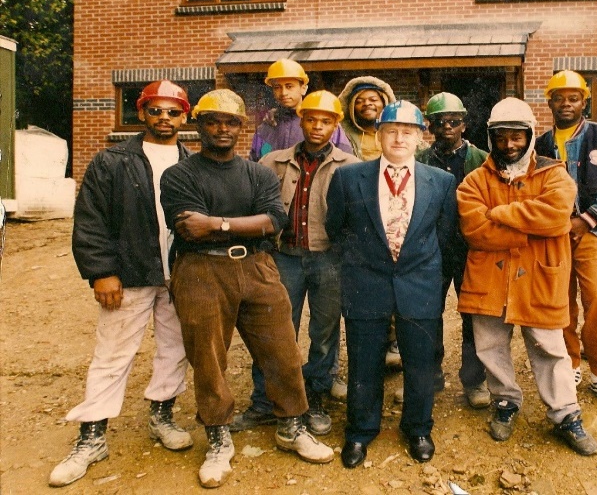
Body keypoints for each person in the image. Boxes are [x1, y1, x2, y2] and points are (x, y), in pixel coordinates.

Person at [160, 89, 333, 488]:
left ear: (242, 128)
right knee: (208, 357)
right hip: (201, 271)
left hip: (257, 266)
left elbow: (275, 220)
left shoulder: (257, 173)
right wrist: (241, 222)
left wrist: (217, 224)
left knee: (282, 349)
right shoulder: (180, 175)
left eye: (231, 122)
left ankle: (291, 425)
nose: (222, 128)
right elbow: (188, 226)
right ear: (199, 124)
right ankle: (218, 437)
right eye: (213, 121)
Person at [51, 81, 194, 487]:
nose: (163, 119)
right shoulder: (111, 160)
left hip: (179, 274)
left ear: (184, 117)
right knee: (113, 353)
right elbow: (92, 219)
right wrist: (101, 271)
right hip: (129, 274)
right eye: (155, 110)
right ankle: (92, 436)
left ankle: (162, 416)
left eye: (172, 112)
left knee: (175, 347)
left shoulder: (192, 162)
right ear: (141, 112)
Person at [457, 97, 597, 456]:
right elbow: (474, 228)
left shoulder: (554, 173)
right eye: (502, 137)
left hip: (539, 278)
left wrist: (500, 213)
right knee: (490, 346)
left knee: (551, 348)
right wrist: (528, 227)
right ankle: (505, 402)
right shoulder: (474, 180)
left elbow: (555, 218)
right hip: (490, 280)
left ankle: (565, 414)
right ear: (491, 138)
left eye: (517, 137)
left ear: (530, 137)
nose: (510, 145)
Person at [325, 100, 457, 468]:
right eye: (392, 131)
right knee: (364, 362)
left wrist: (423, 270)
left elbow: (446, 235)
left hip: (420, 283)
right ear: (379, 135)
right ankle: (360, 432)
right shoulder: (350, 178)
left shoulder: (442, 182)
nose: (400, 138)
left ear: (419, 138)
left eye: (408, 132)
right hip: (366, 282)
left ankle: (417, 428)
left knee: (420, 362)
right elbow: (337, 228)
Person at [229, 91, 360, 434]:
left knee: (325, 333)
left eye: (326, 121)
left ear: (336, 125)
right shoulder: (272, 162)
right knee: (274, 332)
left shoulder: (351, 167)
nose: (317, 126)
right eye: (311, 119)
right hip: (283, 258)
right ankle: (264, 401)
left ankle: (314, 398)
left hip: (328, 261)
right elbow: (253, 210)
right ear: (300, 120)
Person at [534, 71, 597, 407]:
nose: (566, 104)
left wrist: (589, 218)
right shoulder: (541, 144)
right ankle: (571, 364)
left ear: (585, 101)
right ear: (549, 101)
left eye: (573, 98)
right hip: (554, 236)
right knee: (560, 302)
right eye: (559, 97)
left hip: (594, 231)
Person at [417, 92, 490, 409]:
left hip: (470, 250)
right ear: (429, 126)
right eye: (439, 121)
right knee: (427, 313)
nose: (447, 127)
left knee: (474, 316)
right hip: (431, 249)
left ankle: (474, 380)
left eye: (454, 121)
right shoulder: (420, 160)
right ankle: (430, 375)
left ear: (464, 124)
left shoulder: (482, 160)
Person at [249, 59, 352, 161]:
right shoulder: (267, 126)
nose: (283, 92)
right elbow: (256, 163)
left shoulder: (324, 123)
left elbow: (346, 162)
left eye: (289, 86)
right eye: (277, 87)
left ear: (303, 88)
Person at [337, 76, 396, 162]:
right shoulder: (342, 134)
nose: (367, 103)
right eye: (359, 101)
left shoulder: (398, 134)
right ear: (351, 108)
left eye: (373, 100)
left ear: (384, 103)